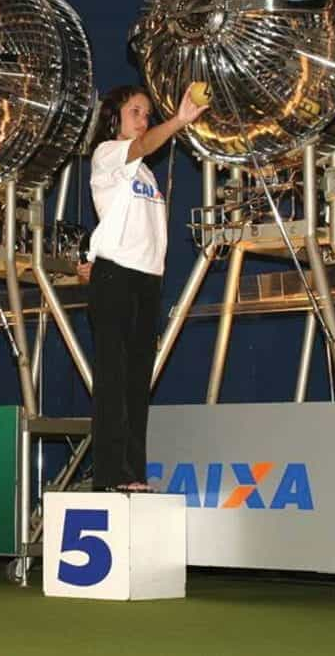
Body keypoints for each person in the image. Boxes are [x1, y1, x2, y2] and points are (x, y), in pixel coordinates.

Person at [77, 85, 206, 492]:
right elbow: (144, 144)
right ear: (114, 118)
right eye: (135, 111)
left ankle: (132, 474)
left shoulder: (146, 173)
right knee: (113, 381)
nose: (143, 118)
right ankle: (110, 477)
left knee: (136, 384)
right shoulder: (108, 153)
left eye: (147, 113)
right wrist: (180, 121)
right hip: (116, 277)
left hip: (146, 280)